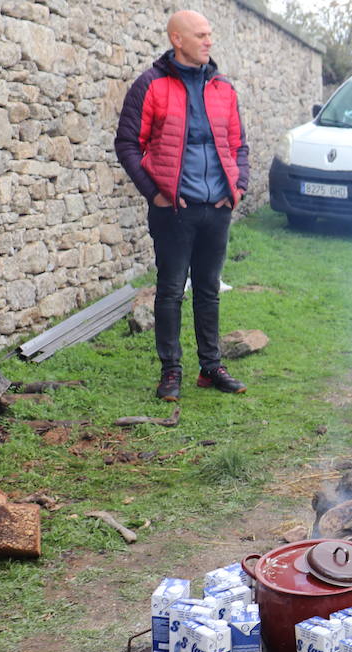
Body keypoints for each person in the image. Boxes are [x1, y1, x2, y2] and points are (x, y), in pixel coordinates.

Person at [115, 10, 249, 402]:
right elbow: (126, 144)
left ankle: (211, 368)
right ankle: (171, 370)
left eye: (210, 34)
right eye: (201, 35)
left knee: (208, 289)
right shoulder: (150, 85)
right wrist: (153, 193)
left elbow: (239, 146)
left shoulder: (223, 88)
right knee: (171, 290)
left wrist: (236, 187)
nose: (209, 41)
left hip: (216, 208)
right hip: (173, 208)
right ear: (177, 38)